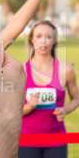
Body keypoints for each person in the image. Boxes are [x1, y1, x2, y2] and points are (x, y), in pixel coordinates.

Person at [18, 21, 79, 158]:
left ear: (54, 40)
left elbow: (77, 98)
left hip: (56, 140)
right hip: (27, 140)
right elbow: (11, 112)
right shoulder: (21, 71)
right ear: (32, 40)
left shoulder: (66, 70)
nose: (43, 41)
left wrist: (66, 110)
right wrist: (29, 106)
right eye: (39, 36)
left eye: (48, 37)